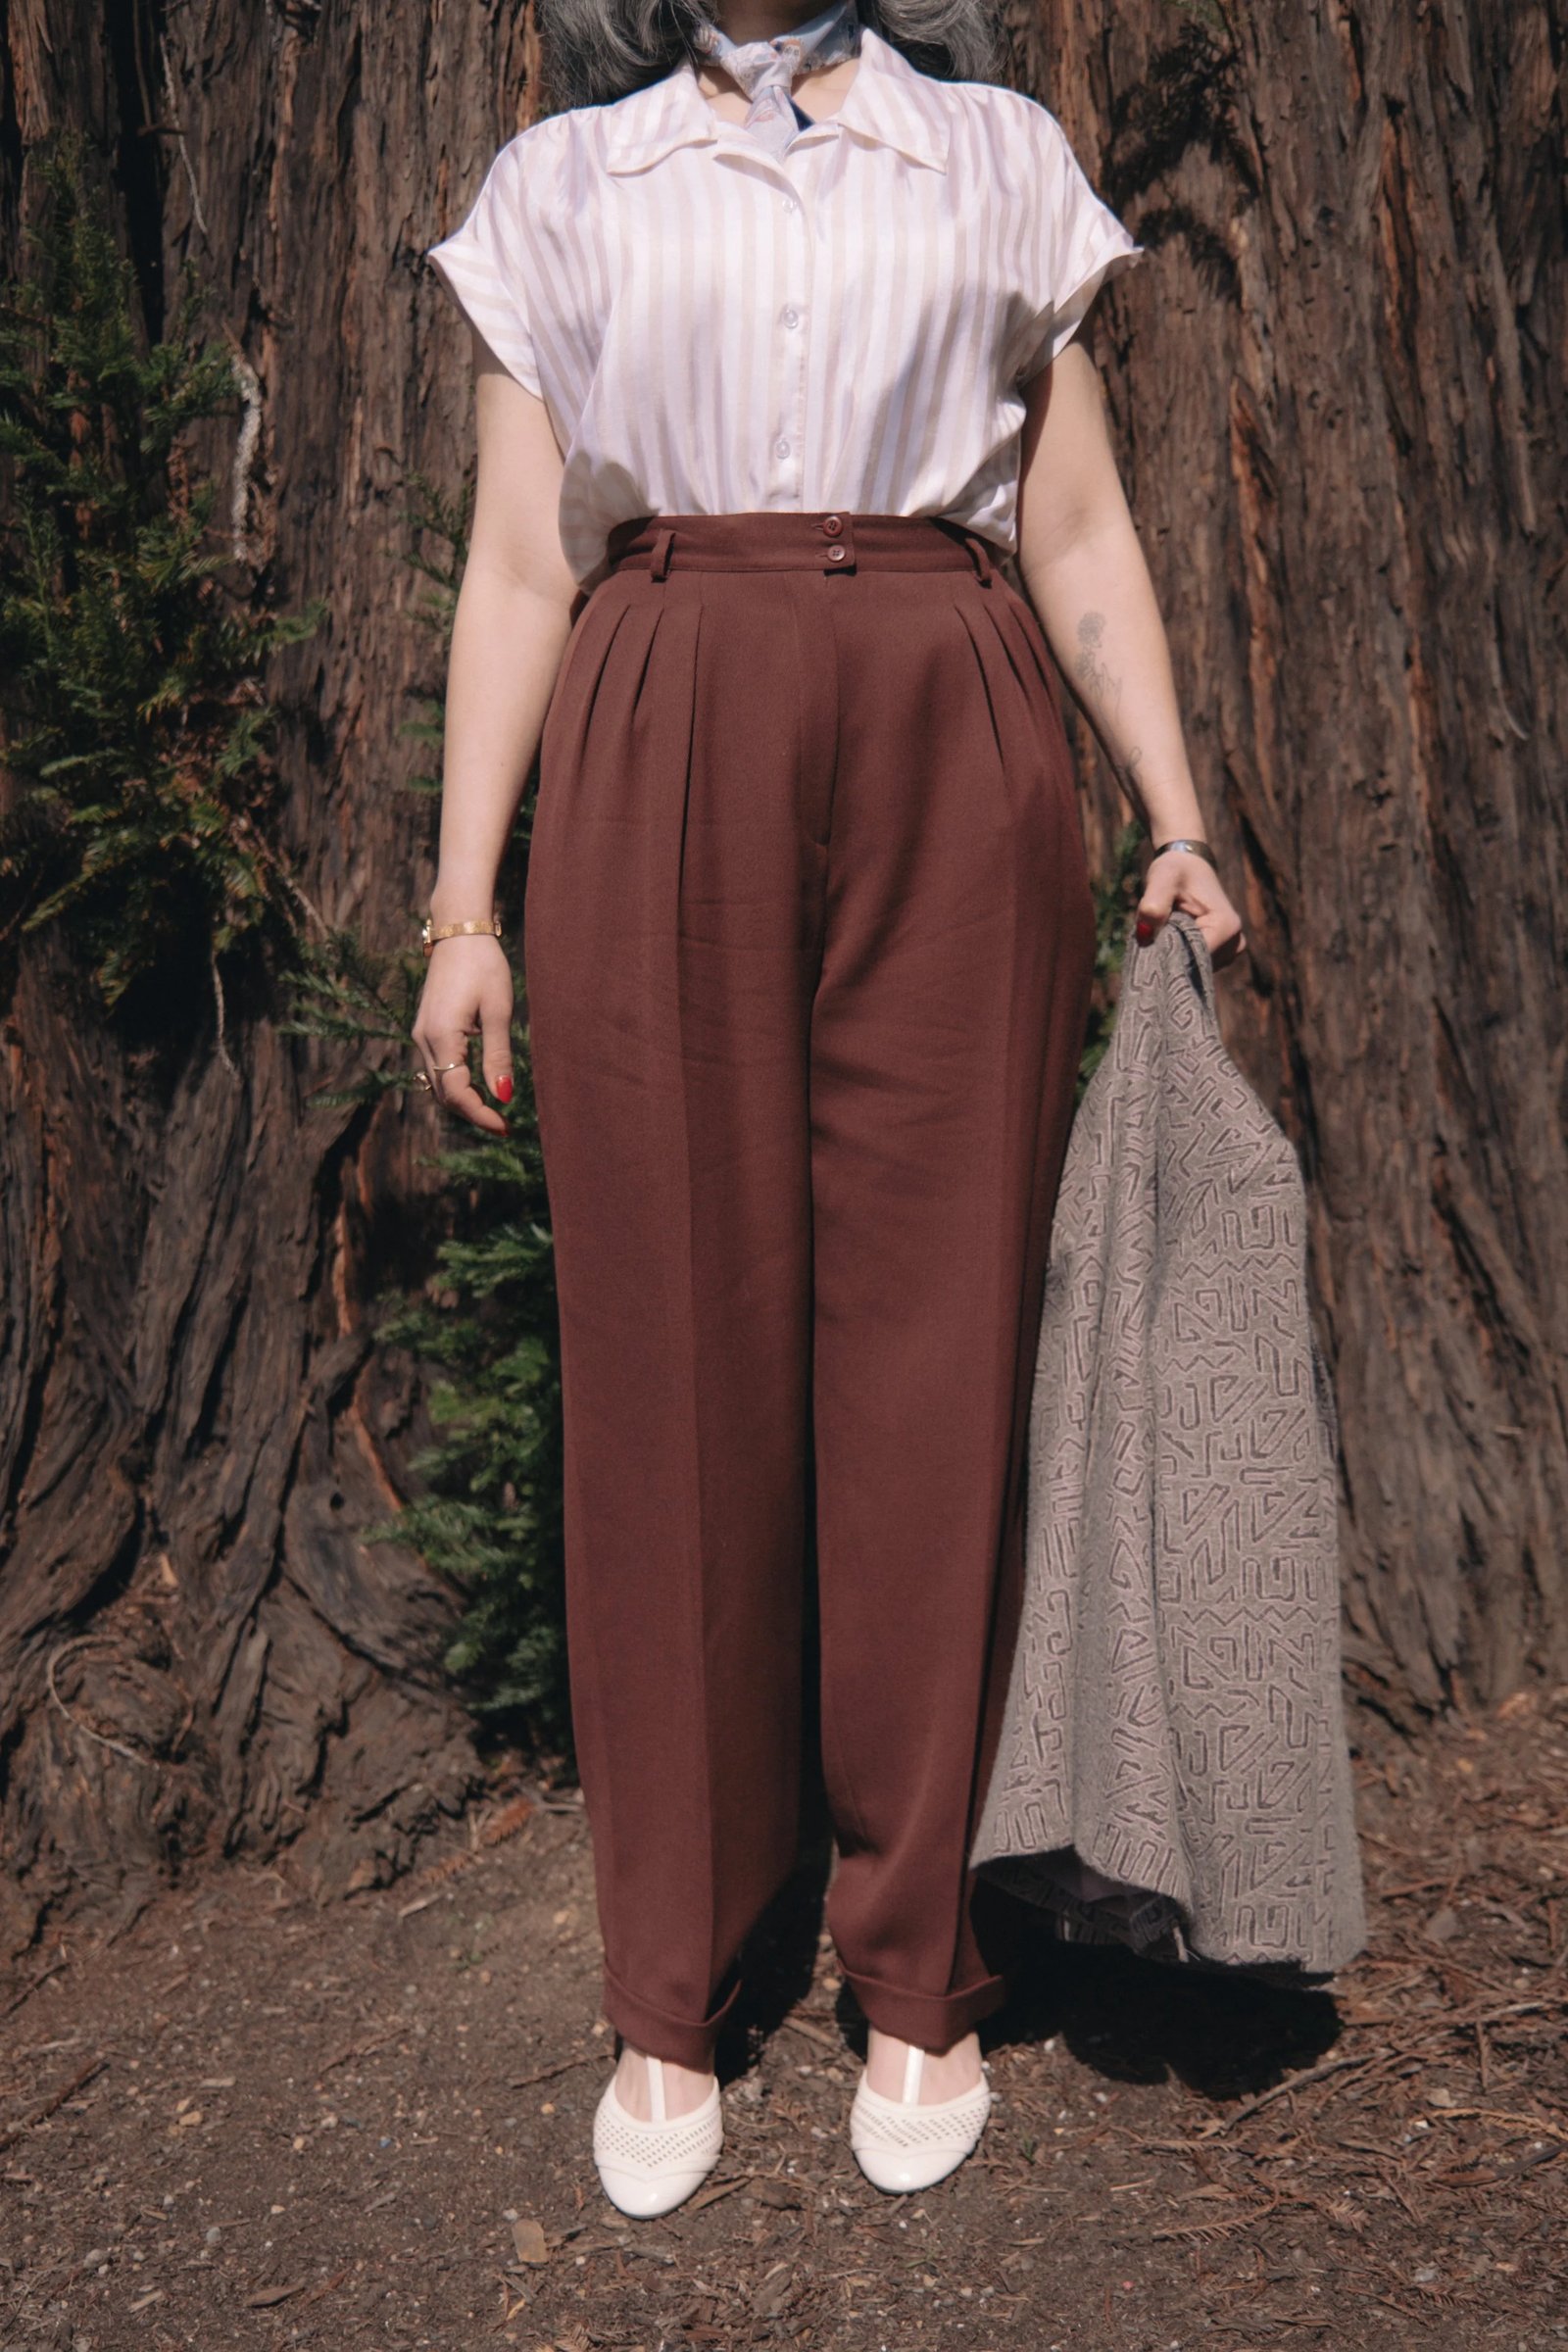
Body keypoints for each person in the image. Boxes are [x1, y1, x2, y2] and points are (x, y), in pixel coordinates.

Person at [416, 0, 1246, 2218]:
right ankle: (671, 1988)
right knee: (670, 1355)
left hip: (949, 718)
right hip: (660, 698)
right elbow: (519, 563)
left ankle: (915, 1964)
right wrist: (462, 907)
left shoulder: (991, 155)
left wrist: (1173, 808)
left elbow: (1076, 526)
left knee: (934, 1343)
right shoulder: (566, 185)